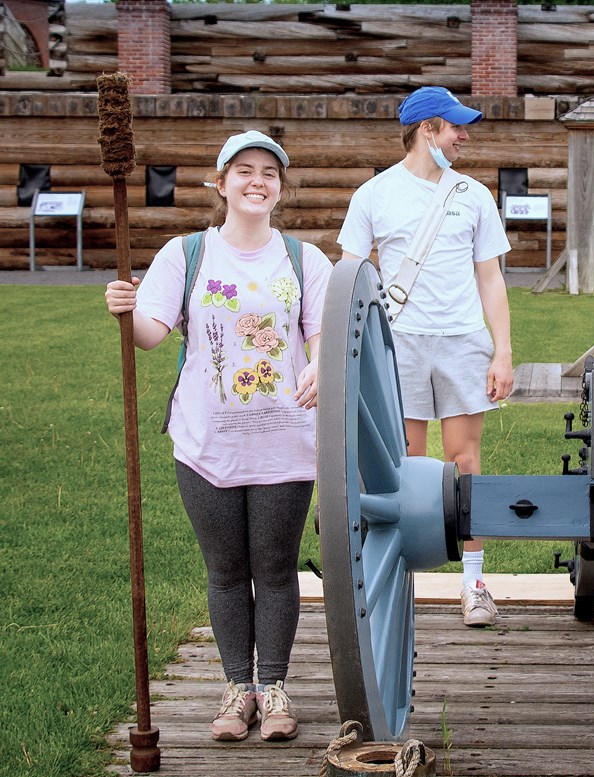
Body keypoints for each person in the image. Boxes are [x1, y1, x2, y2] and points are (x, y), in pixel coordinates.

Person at [104, 130, 332, 742]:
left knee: (277, 568)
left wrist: (316, 364)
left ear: (280, 188)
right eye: (244, 171)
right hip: (207, 443)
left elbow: (322, 336)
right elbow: (151, 335)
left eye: (269, 173)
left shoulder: (306, 260)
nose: (258, 182)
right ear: (220, 182)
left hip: (285, 441)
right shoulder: (186, 255)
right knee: (227, 569)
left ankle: (275, 688)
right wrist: (127, 312)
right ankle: (238, 690)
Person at [338, 86, 514, 628]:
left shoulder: (475, 195)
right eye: (455, 128)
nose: (464, 137)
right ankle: (401, 583)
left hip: (462, 341)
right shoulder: (374, 194)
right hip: (400, 344)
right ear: (425, 131)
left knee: (465, 463)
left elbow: (491, 278)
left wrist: (502, 350)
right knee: (404, 469)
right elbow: (350, 275)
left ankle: (474, 583)